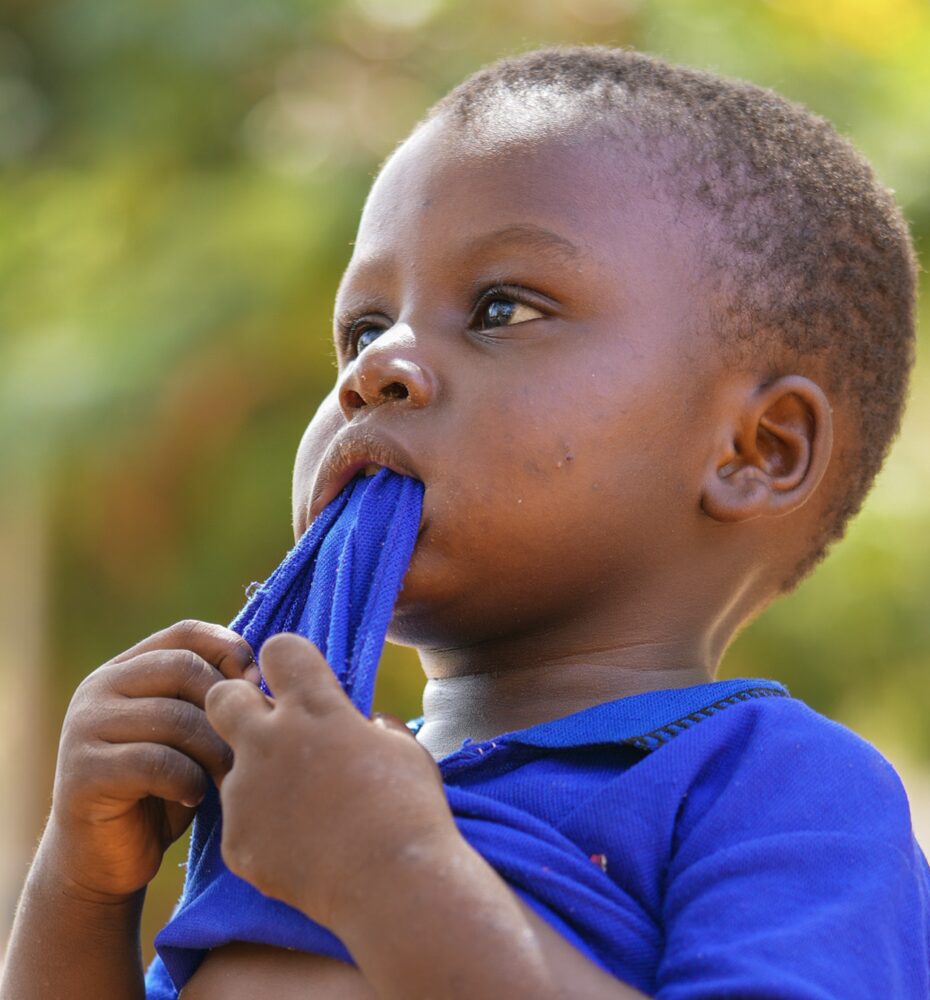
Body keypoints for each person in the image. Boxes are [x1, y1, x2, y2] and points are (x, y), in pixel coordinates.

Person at [2, 44, 927, 999]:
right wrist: (83, 884)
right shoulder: (294, 785)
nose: (378, 368)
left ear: (757, 449)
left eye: (500, 309)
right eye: (361, 332)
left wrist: (388, 870)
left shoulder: (780, 789)